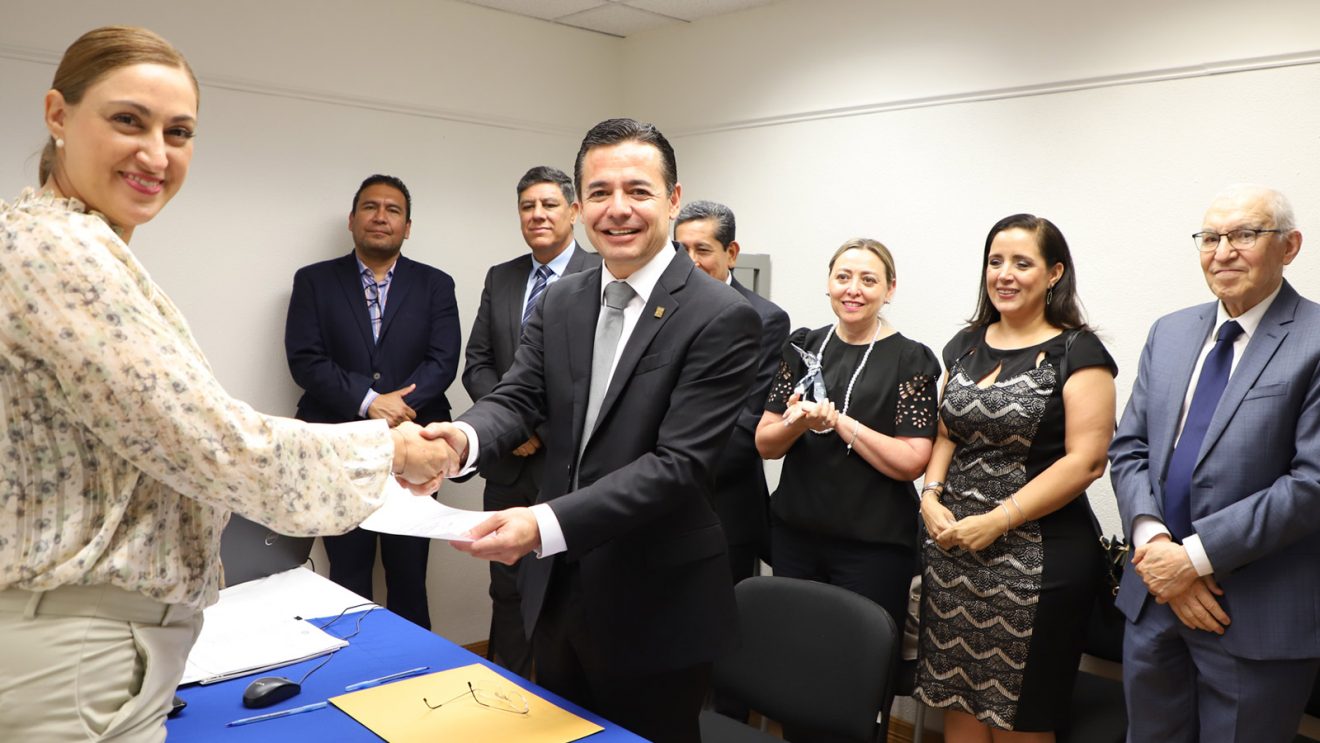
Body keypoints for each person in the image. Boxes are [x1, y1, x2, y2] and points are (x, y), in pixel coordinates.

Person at [0, 26, 456, 743]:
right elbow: (212, 441)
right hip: (78, 653)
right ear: (59, 114)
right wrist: (391, 448)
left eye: (178, 131)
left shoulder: (66, 242)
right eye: (128, 120)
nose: (156, 154)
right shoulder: (60, 253)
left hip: (89, 642)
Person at [423, 118, 762, 743]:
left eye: (638, 190)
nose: (618, 208)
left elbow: (678, 465)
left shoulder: (722, 316)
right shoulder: (562, 300)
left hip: (656, 601)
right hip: (556, 588)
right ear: (580, 206)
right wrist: (458, 442)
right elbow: (519, 395)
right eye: (601, 192)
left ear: (673, 199)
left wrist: (542, 523)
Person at [1110, 184, 1320, 743]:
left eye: (1245, 235)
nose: (1223, 252)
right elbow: (1129, 448)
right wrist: (1157, 548)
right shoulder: (1170, 332)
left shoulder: (1315, 338)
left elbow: (1312, 483)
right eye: (1210, 238)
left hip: (1256, 613)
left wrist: (1193, 560)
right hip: (1154, 598)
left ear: (1289, 246)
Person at [915, 214, 1116, 741]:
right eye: (995, 261)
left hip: (1036, 563)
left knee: (1017, 719)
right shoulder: (965, 344)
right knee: (956, 703)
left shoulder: (1079, 352)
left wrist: (999, 519)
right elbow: (948, 431)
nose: (1004, 274)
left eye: (1022, 263)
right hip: (954, 554)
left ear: (1054, 273)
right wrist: (930, 496)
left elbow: (1087, 461)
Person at [283, 174, 460, 630]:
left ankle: (419, 667)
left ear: (407, 226)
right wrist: (369, 401)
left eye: (393, 210)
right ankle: (350, 667)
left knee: (409, 575)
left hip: (417, 446)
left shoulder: (436, 284)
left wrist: (397, 408)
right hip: (338, 445)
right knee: (347, 574)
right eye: (370, 207)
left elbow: (443, 361)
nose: (381, 217)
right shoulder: (314, 281)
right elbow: (306, 360)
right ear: (352, 219)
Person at [754, 238, 938, 629]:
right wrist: (798, 423)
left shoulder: (910, 360)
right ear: (829, 283)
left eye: (868, 280)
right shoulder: (803, 346)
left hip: (873, 549)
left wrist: (839, 422)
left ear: (889, 289)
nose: (853, 289)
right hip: (795, 538)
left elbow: (912, 461)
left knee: (858, 654)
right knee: (791, 645)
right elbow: (765, 443)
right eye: (843, 277)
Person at [462, 165, 598, 677]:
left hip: (567, 464)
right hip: (507, 465)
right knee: (507, 587)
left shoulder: (600, 271)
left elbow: (593, 374)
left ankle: (559, 696)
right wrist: (507, 428)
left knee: (566, 587)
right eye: (527, 206)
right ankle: (511, 688)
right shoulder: (502, 277)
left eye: (548, 204)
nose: (537, 215)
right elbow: (477, 363)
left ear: (574, 211)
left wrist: (534, 430)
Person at [675, 200, 789, 584]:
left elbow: (745, 426)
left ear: (732, 253)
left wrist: (670, 471)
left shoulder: (763, 318)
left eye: (703, 249)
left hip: (720, 504)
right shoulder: (659, 311)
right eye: (681, 250)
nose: (691, 261)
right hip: (654, 503)